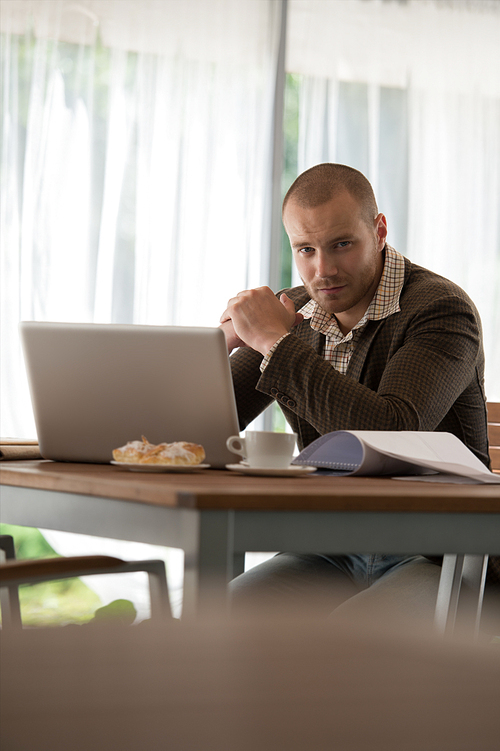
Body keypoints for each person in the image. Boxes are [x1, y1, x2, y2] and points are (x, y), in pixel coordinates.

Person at [219, 162, 498, 626]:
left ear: (380, 230)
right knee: (214, 627)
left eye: (341, 245)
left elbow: (393, 431)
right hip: (331, 548)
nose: (322, 270)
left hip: (439, 555)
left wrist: (273, 342)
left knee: (343, 653)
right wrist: (219, 346)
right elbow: (206, 417)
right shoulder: (299, 314)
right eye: (305, 249)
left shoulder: (441, 311)